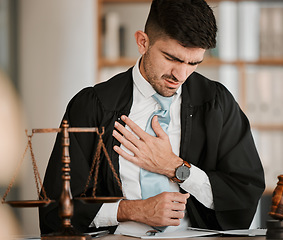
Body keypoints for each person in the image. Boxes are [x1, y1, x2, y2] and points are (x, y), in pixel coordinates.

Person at [39, 0, 265, 235]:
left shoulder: (217, 104)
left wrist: (174, 167)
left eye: (194, 63)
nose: (181, 75)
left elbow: (244, 193)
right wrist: (131, 210)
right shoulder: (92, 106)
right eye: (172, 58)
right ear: (142, 42)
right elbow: (54, 209)